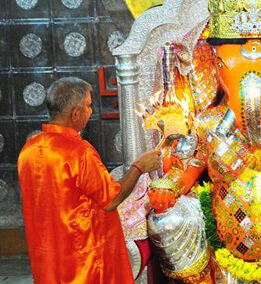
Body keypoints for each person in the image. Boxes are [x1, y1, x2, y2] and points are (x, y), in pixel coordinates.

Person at [18, 77, 159, 283]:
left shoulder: (28, 149)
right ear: (75, 113)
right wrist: (139, 167)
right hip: (83, 258)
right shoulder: (78, 152)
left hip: (47, 256)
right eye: (88, 105)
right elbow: (111, 200)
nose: (91, 111)